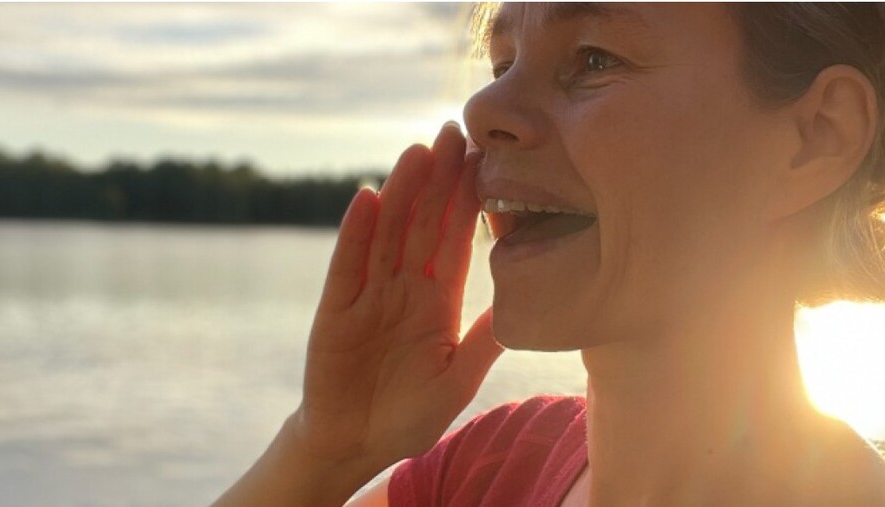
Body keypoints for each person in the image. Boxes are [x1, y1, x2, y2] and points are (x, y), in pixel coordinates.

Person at [215, 3, 885, 506]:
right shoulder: (485, 474)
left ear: (815, 137)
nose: (483, 109)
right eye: (501, 63)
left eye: (593, 59)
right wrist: (326, 450)